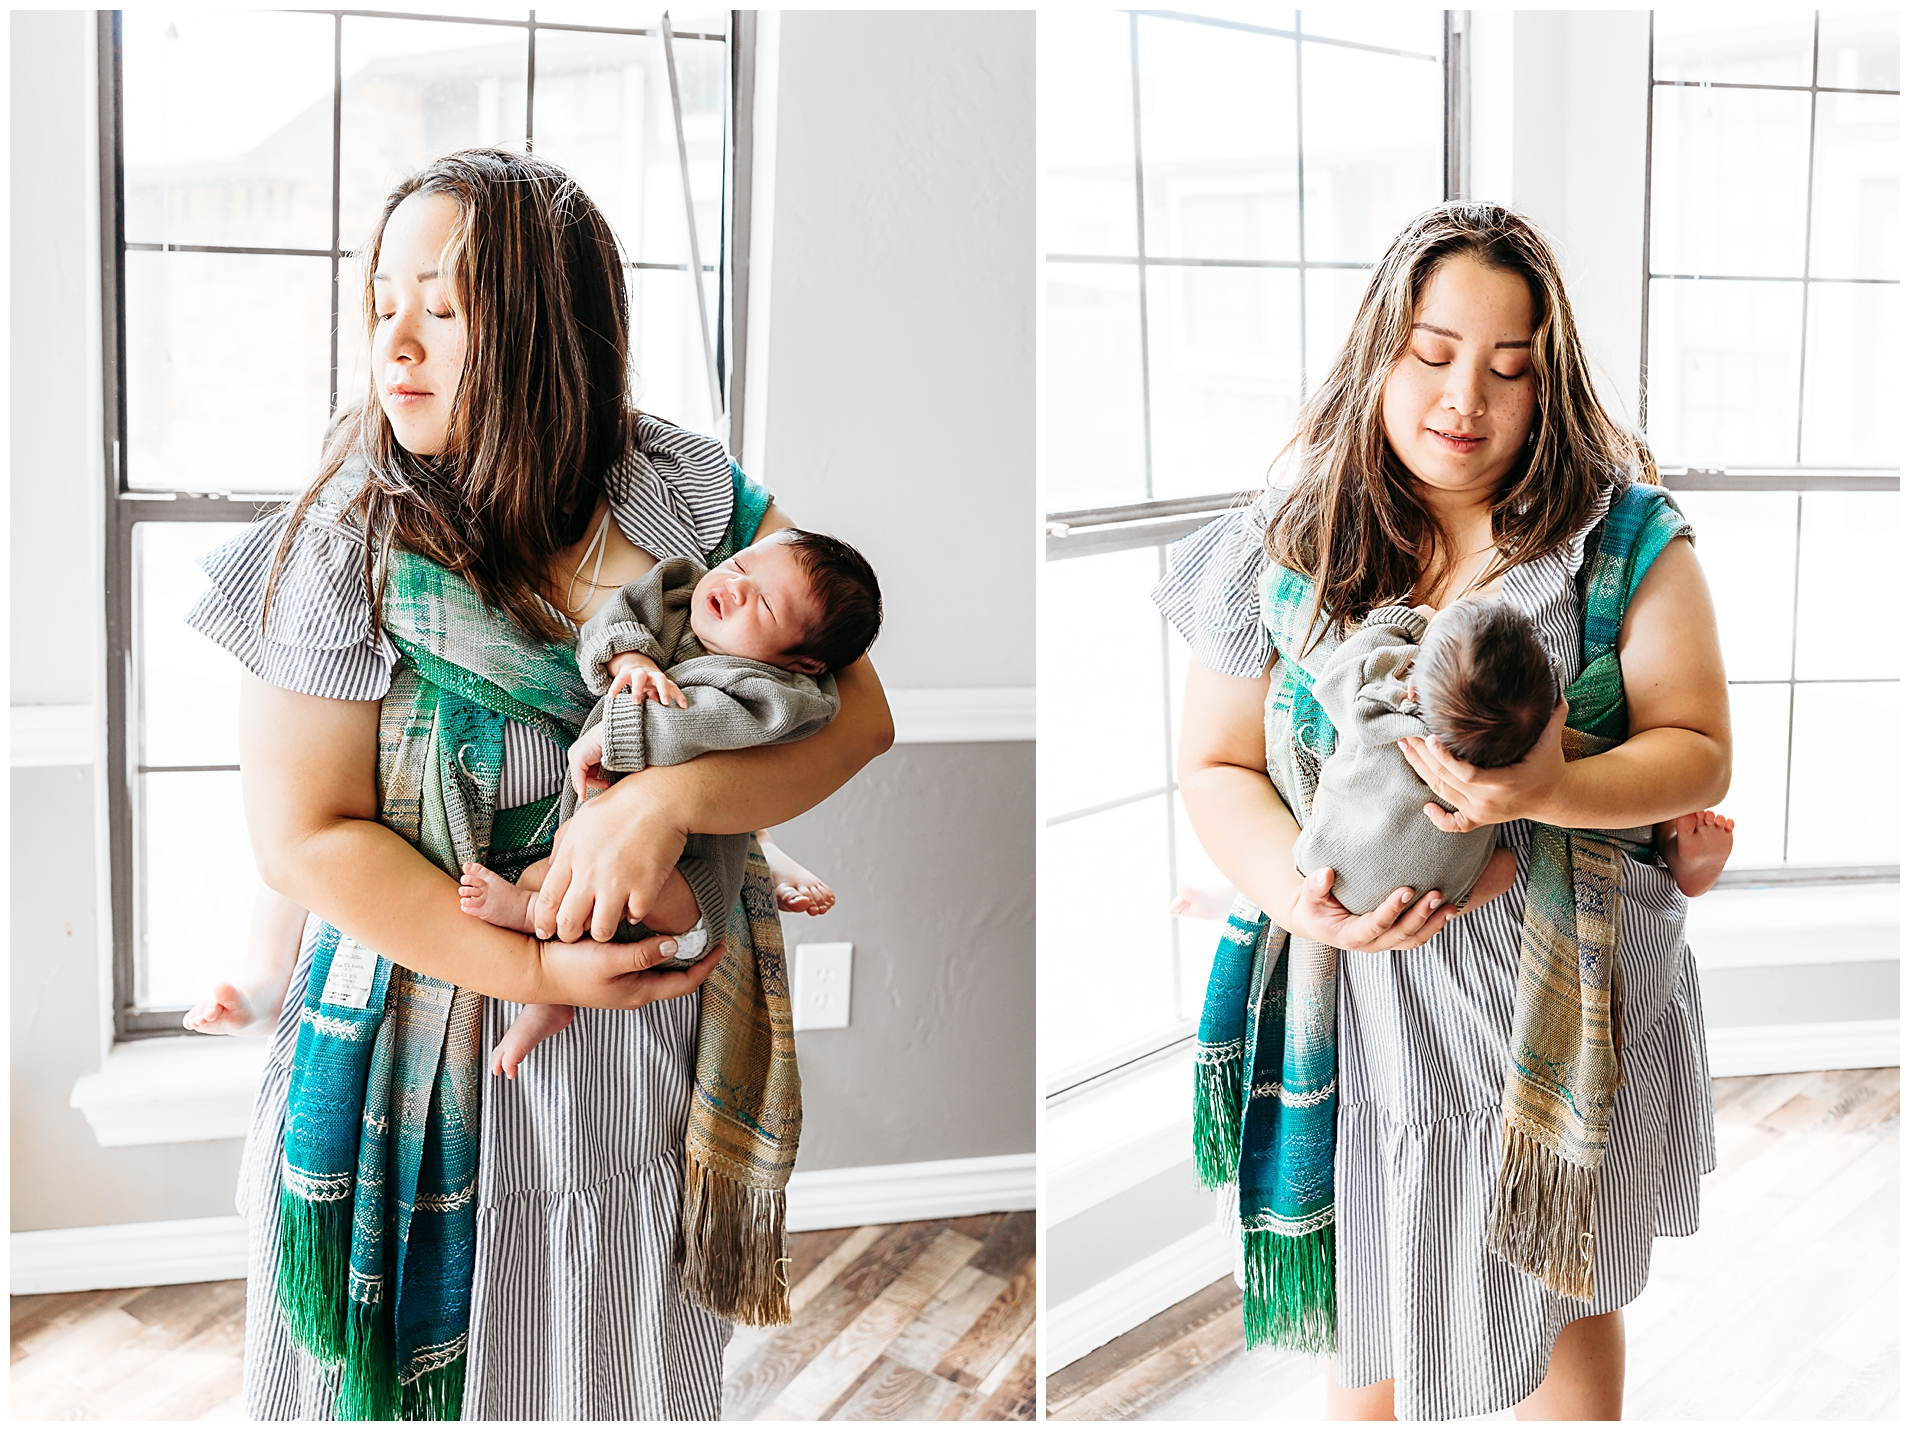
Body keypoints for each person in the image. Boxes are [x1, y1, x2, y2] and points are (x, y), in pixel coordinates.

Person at [183, 149, 893, 1420]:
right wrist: (541, 970)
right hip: (429, 1034)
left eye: (443, 308)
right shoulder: (340, 543)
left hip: (642, 1063)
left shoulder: (678, 491)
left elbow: (856, 715)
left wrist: (658, 803)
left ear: (551, 336)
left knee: (608, 1371)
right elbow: (306, 840)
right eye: (384, 298)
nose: (395, 338)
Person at [1160, 202, 1727, 1421]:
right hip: (1357, 1012)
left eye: (1506, 369)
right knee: (1372, 1297)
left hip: (1552, 1008)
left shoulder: (1622, 543)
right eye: (1429, 353)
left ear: (1548, 386)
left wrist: (1552, 785)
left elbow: (1694, 751)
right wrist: (1296, 896)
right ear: (1378, 354)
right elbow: (1214, 766)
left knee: (1556, 1301)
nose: (1461, 397)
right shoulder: (1288, 544)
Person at [457, 531, 883, 1077]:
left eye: (766, 601)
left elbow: (701, 719)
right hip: (596, 813)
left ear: (802, 662)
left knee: (648, 898)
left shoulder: (780, 693)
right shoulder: (676, 592)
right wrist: (631, 660)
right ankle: (550, 993)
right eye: (740, 564)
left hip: (694, 874)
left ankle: (528, 917)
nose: (735, 587)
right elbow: (617, 617)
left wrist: (619, 732)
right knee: (565, 861)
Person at [1290, 597, 1733, 918]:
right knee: (1513, 862)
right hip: (1439, 889)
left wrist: (1402, 620)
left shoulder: (1383, 708)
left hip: (1330, 871)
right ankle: (1673, 849)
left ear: (1412, 689)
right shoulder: (1514, 766)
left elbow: (1341, 674)